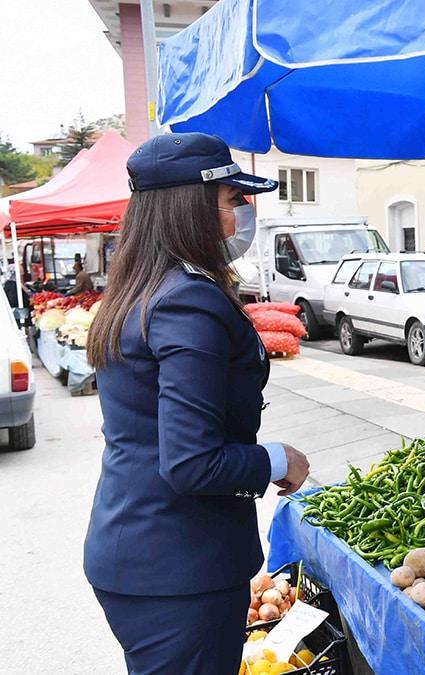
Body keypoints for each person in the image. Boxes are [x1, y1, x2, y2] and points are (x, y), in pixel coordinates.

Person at [83, 132, 310, 675]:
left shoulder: (141, 288)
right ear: (192, 210)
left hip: (140, 552)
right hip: (179, 570)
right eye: (233, 202)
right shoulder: (187, 299)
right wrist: (278, 459)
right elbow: (191, 462)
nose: (242, 216)